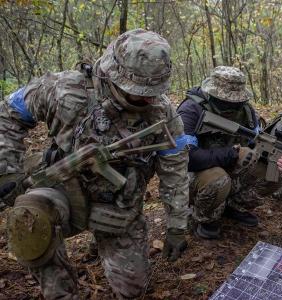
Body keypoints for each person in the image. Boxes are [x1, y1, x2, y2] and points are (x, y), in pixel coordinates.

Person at [0, 29, 190, 299]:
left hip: (118, 206)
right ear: (114, 75)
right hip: (60, 190)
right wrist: (6, 170)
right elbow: (8, 113)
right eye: (139, 92)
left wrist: (176, 226)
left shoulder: (163, 114)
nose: (148, 98)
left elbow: (176, 170)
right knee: (29, 219)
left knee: (132, 290)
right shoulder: (64, 89)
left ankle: (102, 244)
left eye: (154, 91)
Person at [177, 66, 282, 239]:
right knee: (218, 179)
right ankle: (204, 217)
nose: (232, 106)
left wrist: (273, 156)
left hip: (228, 166)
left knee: (275, 174)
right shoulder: (191, 110)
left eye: (236, 102)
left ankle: (234, 207)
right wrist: (228, 154)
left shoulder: (246, 111)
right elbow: (185, 158)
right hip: (194, 175)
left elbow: (254, 143)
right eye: (225, 101)